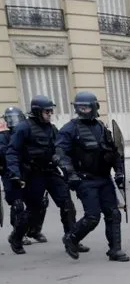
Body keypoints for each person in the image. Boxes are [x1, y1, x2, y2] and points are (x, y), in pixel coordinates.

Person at [5, 95, 85, 255]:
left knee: (67, 205)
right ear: (37, 111)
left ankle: (72, 239)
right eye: (46, 111)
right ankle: (16, 237)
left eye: (50, 110)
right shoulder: (24, 128)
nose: (50, 113)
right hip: (34, 174)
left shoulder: (52, 129)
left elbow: (61, 148)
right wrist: (15, 174)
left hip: (52, 172)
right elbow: (12, 152)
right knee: (34, 210)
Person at [55, 92, 129, 261]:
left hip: (104, 178)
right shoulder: (69, 129)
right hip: (84, 179)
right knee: (92, 217)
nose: (84, 110)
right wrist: (71, 173)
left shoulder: (102, 127)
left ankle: (115, 250)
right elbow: (60, 153)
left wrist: (119, 171)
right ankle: (71, 238)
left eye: (87, 107)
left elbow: (114, 151)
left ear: (95, 107)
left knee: (113, 214)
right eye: (81, 107)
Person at [0, 106, 39, 246]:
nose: (12, 121)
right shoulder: (3, 137)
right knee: (17, 205)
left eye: (15, 117)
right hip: (10, 174)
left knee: (38, 203)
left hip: (28, 172)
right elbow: (6, 155)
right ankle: (18, 233)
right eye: (9, 118)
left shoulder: (26, 133)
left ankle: (34, 230)